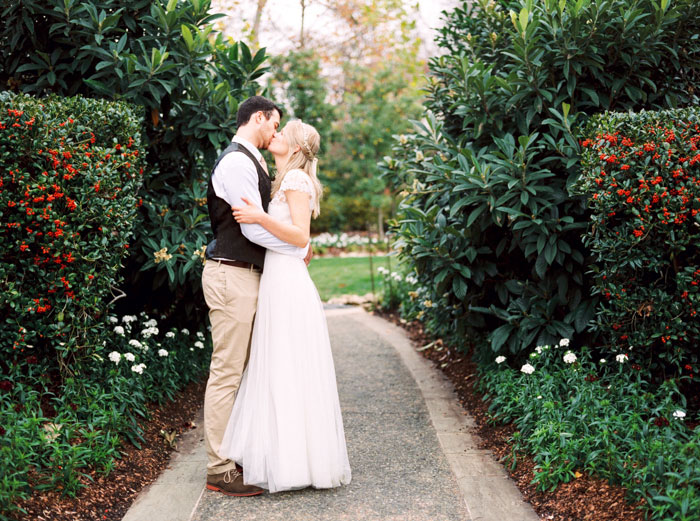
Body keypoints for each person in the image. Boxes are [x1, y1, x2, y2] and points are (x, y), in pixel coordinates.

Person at [218, 119, 352, 493]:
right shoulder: (284, 180)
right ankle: (280, 456)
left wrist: (260, 217)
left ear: (293, 148)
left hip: (289, 283)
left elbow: (300, 235)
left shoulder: (295, 182)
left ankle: (294, 463)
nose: (274, 135)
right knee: (277, 365)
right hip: (277, 278)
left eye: (282, 133)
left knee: (287, 365)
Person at [201, 96, 311, 497]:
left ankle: (232, 453)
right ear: (259, 117)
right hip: (230, 274)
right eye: (273, 123)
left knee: (243, 370)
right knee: (227, 372)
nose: (274, 131)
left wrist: (293, 243)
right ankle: (219, 468)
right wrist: (297, 248)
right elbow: (249, 229)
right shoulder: (235, 162)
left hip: (248, 276)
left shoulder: (255, 160)